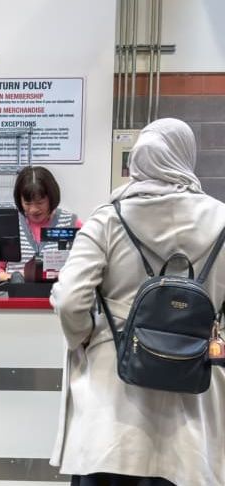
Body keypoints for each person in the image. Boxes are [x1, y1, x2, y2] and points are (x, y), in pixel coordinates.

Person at [50, 118, 225, 485]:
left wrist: (84, 338)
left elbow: (69, 300)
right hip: (194, 407)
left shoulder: (109, 219)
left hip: (112, 412)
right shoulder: (221, 220)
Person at [13, 165, 80, 265]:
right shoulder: (11, 224)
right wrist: (16, 277)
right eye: (27, 203)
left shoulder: (71, 223)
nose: (34, 209)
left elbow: (84, 264)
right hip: (15, 280)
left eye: (40, 202)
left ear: (52, 197)